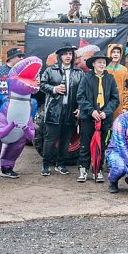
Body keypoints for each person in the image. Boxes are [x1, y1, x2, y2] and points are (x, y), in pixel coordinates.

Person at [0, 56, 43, 181]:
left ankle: (7, 167)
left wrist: (27, 129)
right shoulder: (6, 103)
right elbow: (0, 131)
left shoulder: (30, 103)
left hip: (19, 129)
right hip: (3, 127)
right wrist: (10, 126)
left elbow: (31, 136)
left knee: (18, 144)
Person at [39, 42, 83, 176]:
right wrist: (54, 89)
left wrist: (80, 107)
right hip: (54, 110)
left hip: (70, 111)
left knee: (66, 139)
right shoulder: (50, 70)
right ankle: (46, 165)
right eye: (65, 54)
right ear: (60, 56)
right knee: (50, 139)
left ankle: (61, 164)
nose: (68, 56)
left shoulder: (79, 72)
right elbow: (42, 84)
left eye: (70, 54)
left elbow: (82, 93)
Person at [76, 51, 119, 182]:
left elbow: (115, 99)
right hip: (88, 117)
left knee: (102, 145)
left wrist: (106, 111)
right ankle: (83, 169)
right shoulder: (86, 77)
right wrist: (91, 111)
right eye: (99, 62)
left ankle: (98, 170)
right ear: (93, 63)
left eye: (104, 62)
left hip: (104, 118)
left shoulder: (110, 79)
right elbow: (80, 96)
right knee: (85, 143)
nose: (102, 64)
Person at [105, 43, 128, 123]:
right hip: (105, 103)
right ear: (109, 53)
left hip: (119, 105)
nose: (116, 54)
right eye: (113, 52)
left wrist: (125, 106)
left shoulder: (123, 70)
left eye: (118, 52)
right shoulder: (104, 69)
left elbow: (125, 89)